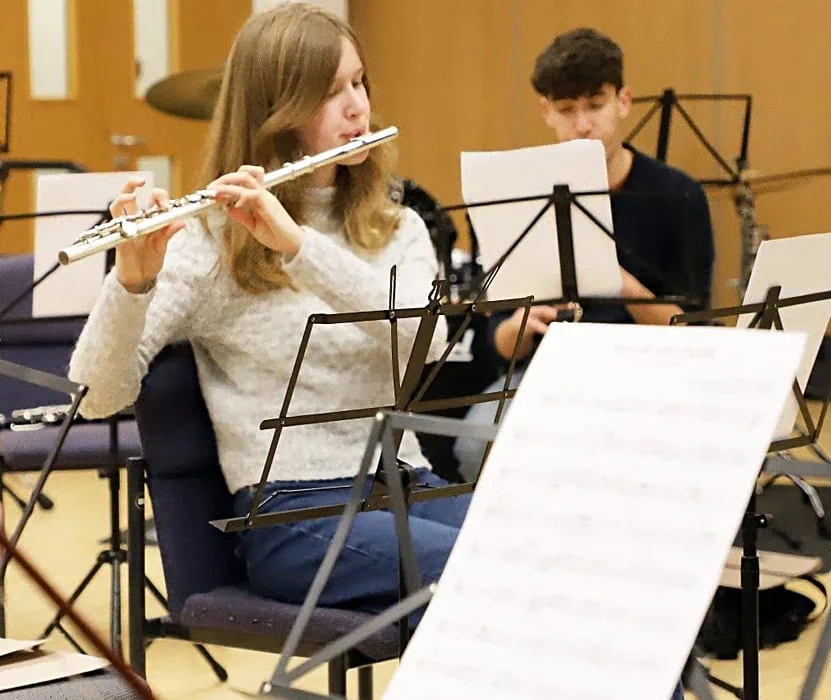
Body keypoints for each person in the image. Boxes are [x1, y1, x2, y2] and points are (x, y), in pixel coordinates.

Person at [68, 2, 469, 627]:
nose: (358, 107)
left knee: (544, 554)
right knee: (476, 575)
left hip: (407, 483)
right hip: (292, 516)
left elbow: (430, 339)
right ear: (275, 113)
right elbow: (97, 395)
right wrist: (131, 281)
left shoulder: (399, 226)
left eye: (359, 82)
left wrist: (300, 249)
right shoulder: (210, 241)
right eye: (331, 93)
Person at [454, 27, 715, 479]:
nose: (583, 125)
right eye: (567, 110)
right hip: (545, 375)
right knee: (477, 448)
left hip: (647, 378)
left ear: (624, 101)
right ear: (545, 111)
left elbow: (691, 335)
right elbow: (492, 342)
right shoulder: (511, 193)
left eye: (596, 106)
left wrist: (617, 280)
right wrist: (517, 328)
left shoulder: (678, 196)